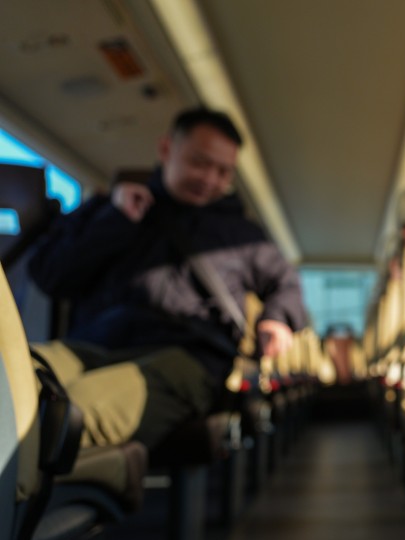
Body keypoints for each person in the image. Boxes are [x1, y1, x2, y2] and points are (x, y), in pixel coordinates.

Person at [28, 106, 307, 450]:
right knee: (17, 373)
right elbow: (48, 274)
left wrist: (277, 319)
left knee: (67, 412)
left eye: (223, 171)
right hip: (92, 345)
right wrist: (114, 221)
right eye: (200, 163)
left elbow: (286, 284)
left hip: (185, 358)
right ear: (166, 150)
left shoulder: (242, 235)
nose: (210, 179)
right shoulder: (113, 208)